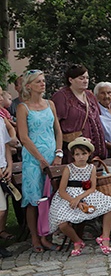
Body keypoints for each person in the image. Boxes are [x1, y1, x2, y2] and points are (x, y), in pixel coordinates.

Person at [16, 70, 64, 252]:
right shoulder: (23, 108)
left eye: (43, 81)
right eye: (38, 82)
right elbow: (24, 137)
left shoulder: (50, 104)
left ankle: (47, 234)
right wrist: (41, 159)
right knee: (34, 198)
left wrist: (58, 153)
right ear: (29, 86)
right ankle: (35, 238)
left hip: (53, 156)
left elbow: (58, 131)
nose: (42, 84)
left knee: (51, 196)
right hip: (33, 158)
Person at [47, 137, 111, 256]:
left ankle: (105, 237)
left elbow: (92, 187)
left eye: (84, 154)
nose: (81, 157)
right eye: (77, 154)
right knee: (62, 222)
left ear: (89, 154)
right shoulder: (69, 169)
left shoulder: (91, 168)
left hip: (86, 194)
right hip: (69, 196)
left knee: (109, 204)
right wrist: (74, 201)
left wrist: (80, 198)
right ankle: (77, 241)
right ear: (73, 156)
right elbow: (62, 190)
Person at [52, 64, 107, 162]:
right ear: (71, 80)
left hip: (94, 152)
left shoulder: (90, 95)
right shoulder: (61, 97)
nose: (85, 81)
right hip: (74, 152)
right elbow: (54, 126)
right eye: (81, 78)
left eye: (87, 78)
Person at [0, 114, 15, 257]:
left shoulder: (0, 120)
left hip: (3, 170)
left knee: (2, 209)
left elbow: (5, 146)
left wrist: (9, 165)